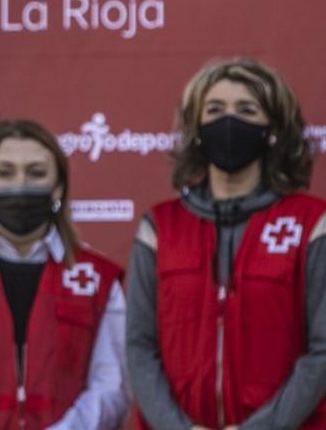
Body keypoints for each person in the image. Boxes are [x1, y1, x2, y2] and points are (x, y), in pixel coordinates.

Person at [127, 58, 326, 430]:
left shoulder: (312, 222)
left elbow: (322, 351)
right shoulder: (160, 225)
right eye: (215, 110)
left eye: (246, 110)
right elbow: (139, 347)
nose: (228, 121)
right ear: (197, 128)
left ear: (272, 129)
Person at [0, 119, 127, 430]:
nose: (20, 184)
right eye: (5, 173)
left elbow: (112, 386)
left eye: (36, 173)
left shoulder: (98, 279)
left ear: (58, 186)